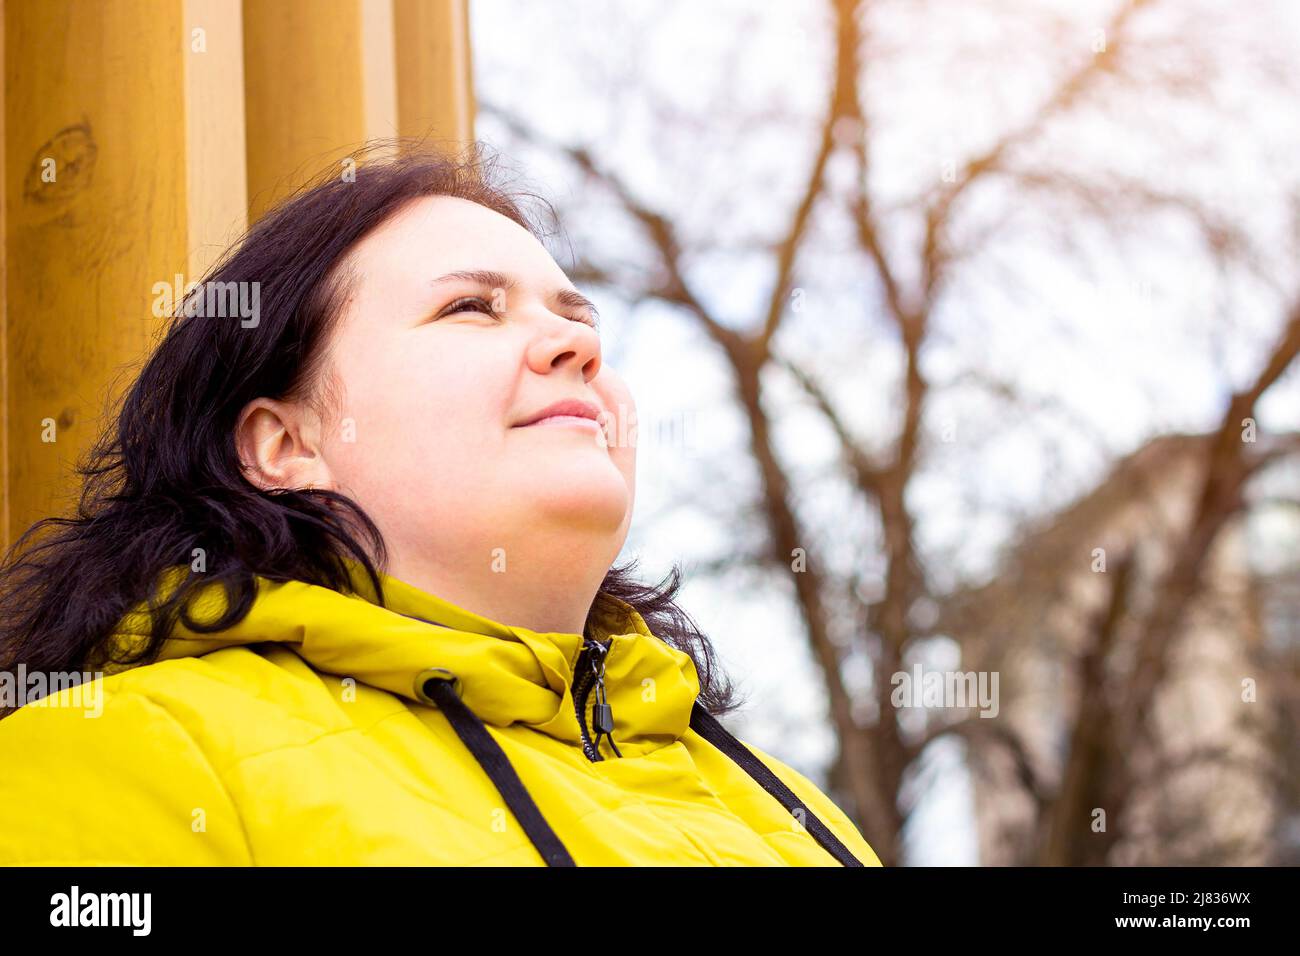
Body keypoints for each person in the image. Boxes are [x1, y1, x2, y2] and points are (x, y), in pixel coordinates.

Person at [0, 142, 883, 867]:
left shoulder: (796, 811)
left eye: (581, 321)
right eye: (471, 307)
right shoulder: (127, 758)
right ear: (286, 444)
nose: (573, 342)